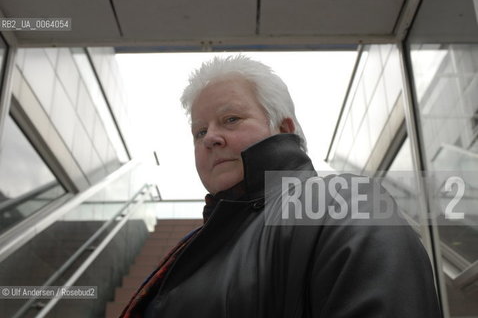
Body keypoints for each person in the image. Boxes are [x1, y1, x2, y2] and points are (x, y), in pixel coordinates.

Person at [120, 55, 441, 317]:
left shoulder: (346, 201)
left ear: (283, 127)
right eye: (199, 131)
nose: (211, 139)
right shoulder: (204, 243)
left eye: (230, 119)